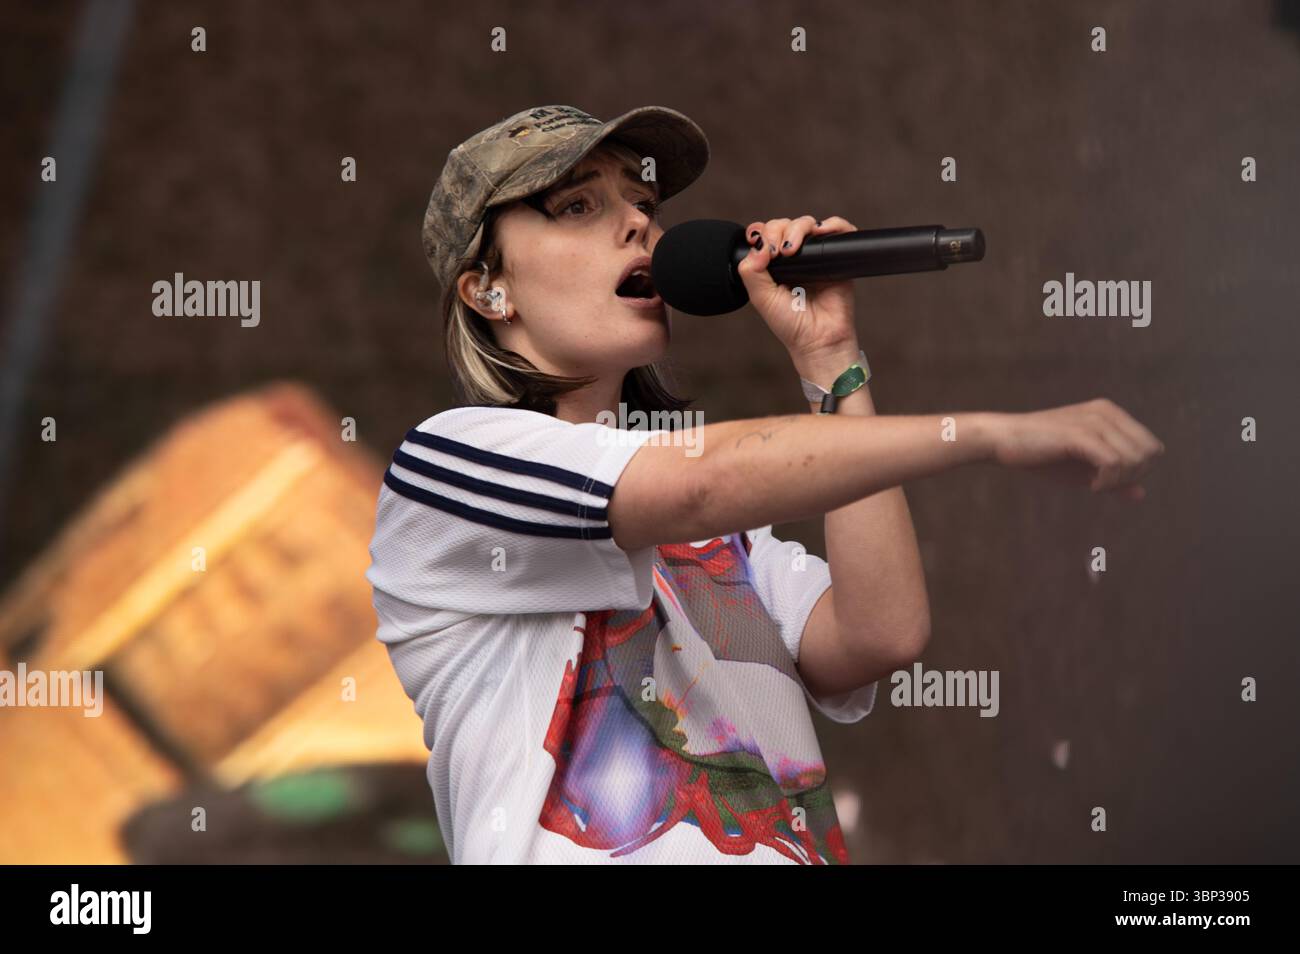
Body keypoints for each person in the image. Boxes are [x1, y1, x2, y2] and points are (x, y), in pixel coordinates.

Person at [365, 104, 1164, 865]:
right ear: (487, 289)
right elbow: (699, 480)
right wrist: (989, 434)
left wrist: (830, 361)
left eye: (643, 201)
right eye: (578, 206)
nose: (641, 221)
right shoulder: (449, 467)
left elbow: (878, 634)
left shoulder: (722, 543)